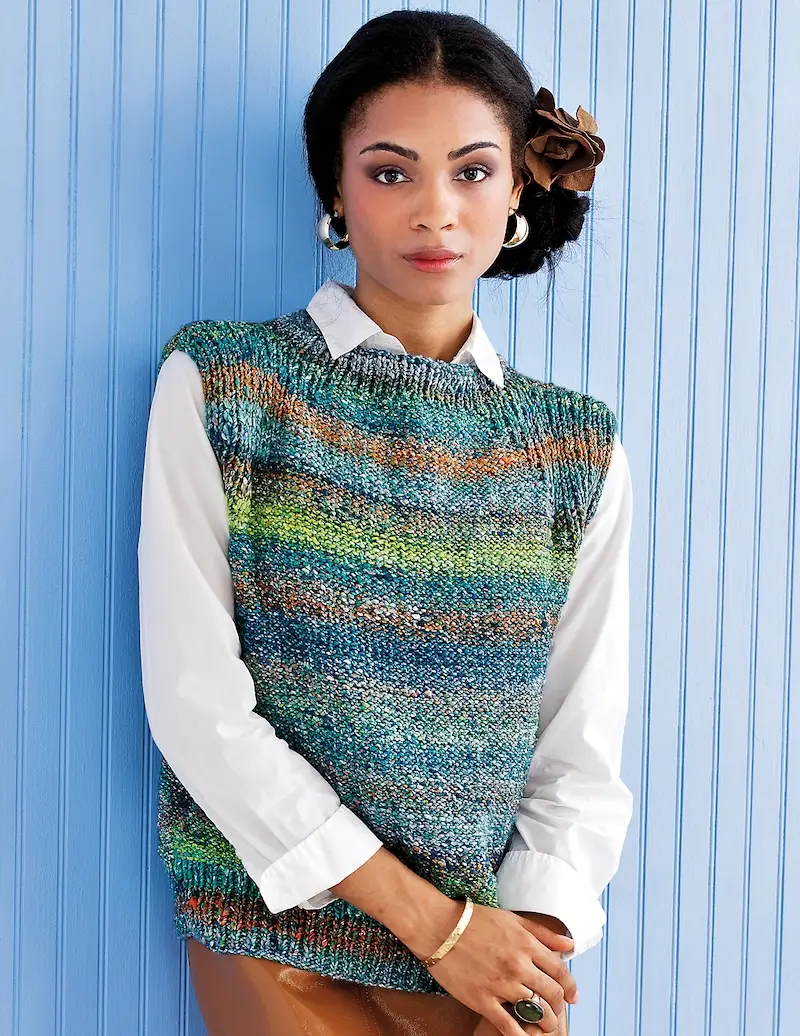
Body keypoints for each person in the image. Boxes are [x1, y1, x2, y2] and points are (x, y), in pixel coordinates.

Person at [137, 9, 634, 1036]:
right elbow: (199, 709)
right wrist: (435, 928)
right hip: (285, 939)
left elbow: (578, 747)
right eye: (390, 171)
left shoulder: (575, 449)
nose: (434, 214)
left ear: (515, 196)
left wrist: (514, 946)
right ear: (334, 190)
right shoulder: (228, 385)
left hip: (500, 960)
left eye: (471, 171)